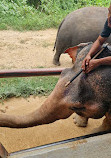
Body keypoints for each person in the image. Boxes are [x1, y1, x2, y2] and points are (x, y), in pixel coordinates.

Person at [82, 4, 111, 73]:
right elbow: (99, 41)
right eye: (109, 11)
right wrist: (89, 55)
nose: (109, 24)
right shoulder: (110, 20)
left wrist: (99, 62)